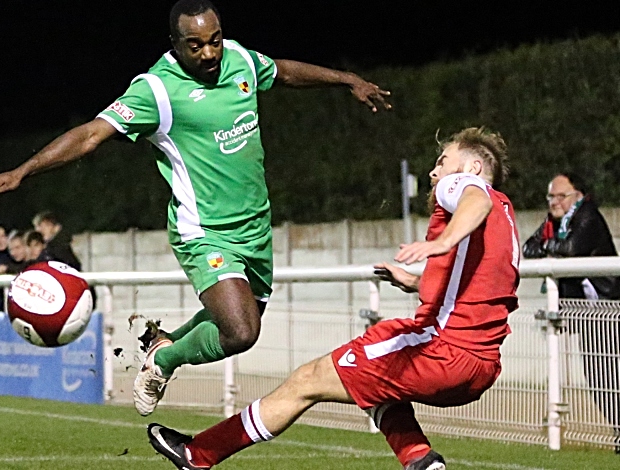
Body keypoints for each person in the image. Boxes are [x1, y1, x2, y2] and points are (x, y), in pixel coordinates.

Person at [0, 0, 391, 417]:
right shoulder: (155, 90)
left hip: (256, 226)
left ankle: (163, 343)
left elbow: (283, 70)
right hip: (204, 231)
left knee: (243, 320)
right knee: (241, 331)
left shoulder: (239, 60)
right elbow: (91, 134)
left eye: (214, 41)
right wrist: (25, 170)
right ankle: (164, 360)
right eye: (195, 46)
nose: (209, 53)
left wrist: (346, 80)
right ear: (175, 44)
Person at [146, 127, 519, 470]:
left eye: (442, 162)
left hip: (438, 351)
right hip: (480, 368)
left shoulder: (464, 188)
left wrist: (439, 241)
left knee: (307, 380)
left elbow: (474, 199)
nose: (435, 173)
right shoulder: (507, 215)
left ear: (472, 166)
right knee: (371, 386)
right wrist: (414, 284)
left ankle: (198, 454)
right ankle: (420, 460)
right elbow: (477, 289)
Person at [523, 173, 620, 452]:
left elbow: (572, 248)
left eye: (560, 196)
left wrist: (547, 248)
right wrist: (548, 247)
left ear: (577, 196)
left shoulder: (587, 215)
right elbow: (529, 248)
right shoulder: (553, 222)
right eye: (550, 197)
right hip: (586, 313)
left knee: (611, 374)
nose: (554, 202)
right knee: (599, 379)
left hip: (609, 307)